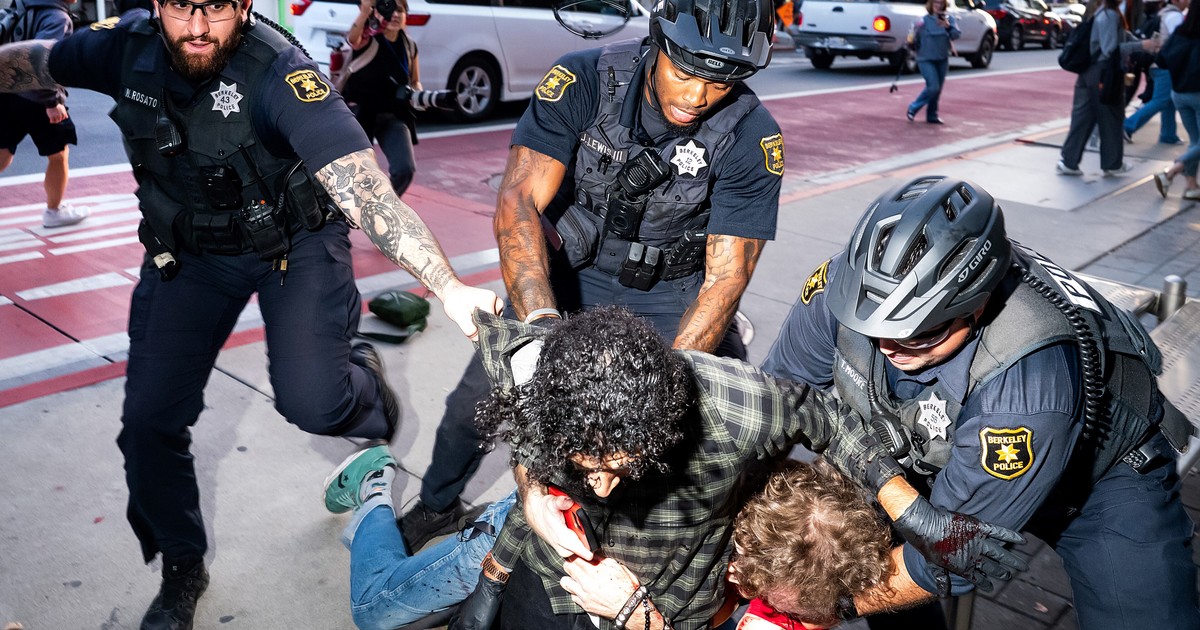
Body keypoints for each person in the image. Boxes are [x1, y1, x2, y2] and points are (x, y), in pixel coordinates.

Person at [0, 2, 503, 627]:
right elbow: (28, 65)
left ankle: (364, 388)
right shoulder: (123, 48)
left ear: (243, 6)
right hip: (189, 256)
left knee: (316, 403)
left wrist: (447, 284)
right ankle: (184, 567)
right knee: (149, 424)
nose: (201, 27)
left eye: (218, 7)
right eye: (183, 7)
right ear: (157, 5)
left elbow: (364, 188)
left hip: (292, 245)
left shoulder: (279, 71)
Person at [401, 0, 789, 551]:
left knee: (700, 434)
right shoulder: (583, 80)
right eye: (684, 72)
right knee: (478, 401)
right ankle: (437, 505)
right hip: (566, 278)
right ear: (657, 43)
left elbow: (727, 277)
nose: (698, 96)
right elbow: (518, 204)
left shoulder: (754, 136)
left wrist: (666, 387)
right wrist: (538, 328)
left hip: (670, 293)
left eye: (720, 82)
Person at [763, 175, 1199, 630]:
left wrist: (819, 611)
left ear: (978, 302)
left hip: (1097, 480)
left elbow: (947, 563)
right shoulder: (845, 289)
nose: (890, 347)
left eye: (920, 332)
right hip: (939, 446)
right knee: (855, 552)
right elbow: (776, 401)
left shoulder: (1028, 389)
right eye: (872, 328)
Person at [457, 307, 1022, 630]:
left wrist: (908, 507)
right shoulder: (544, 371)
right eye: (586, 467)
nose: (598, 486)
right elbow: (532, 440)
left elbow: (821, 414)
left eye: (617, 466)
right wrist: (521, 520)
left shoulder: (735, 406)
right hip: (551, 580)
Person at [320, 445, 898, 630]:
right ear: (750, 559)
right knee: (374, 611)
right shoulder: (655, 503)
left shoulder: (807, 550)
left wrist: (636, 615)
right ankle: (374, 486)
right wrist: (633, 611)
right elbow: (539, 453)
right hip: (526, 537)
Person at [0, 0, 87, 228]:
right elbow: (43, 62)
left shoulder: (21, 6)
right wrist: (52, 102)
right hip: (36, 98)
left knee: (3, 153)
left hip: (5, 92)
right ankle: (54, 211)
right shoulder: (56, 17)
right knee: (58, 154)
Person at [1057, 0, 1160, 176]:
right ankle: (1112, 163)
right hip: (1104, 73)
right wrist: (1143, 46)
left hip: (1087, 72)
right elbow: (1110, 49)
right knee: (1112, 115)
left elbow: (1119, 37)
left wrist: (1141, 43)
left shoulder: (1100, 11)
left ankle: (1069, 161)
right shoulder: (1110, 15)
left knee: (1082, 118)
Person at [340, 0, 421, 197]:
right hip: (360, 113)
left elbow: (416, 80)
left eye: (400, 10)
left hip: (393, 114)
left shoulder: (409, 45)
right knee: (355, 173)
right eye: (390, 10)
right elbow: (352, 39)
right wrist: (365, 11)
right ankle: (340, 212)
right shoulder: (369, 37)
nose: (395, 15)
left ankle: (385, 206)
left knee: (405, 169)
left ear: (405, 16)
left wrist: (419, 95)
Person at [1152, 4, 1200, 200]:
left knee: (1195, 142)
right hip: (1198, 95)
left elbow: (1162, 60)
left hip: (1178, 94)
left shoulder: (1180, 32)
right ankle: (1173, 170)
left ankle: (1191, 186)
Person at [1123, 0, 1188, 143]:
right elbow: (1180, 41)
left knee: (1168, 100)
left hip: (1157, 63)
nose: (1188, 1)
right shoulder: (1174, 17)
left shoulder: (1164, 13)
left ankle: (1168, 134)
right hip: (1165, 65)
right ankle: (1128, 125)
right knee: (1162, 99)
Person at [905, 0, 959, 125]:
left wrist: (948, 26)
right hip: (925, 58)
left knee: (937, 89)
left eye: (940, 3)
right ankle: (913, 107)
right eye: (935, 2)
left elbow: (956, 35)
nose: (938, 5)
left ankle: (932, 115)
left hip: (942, 59)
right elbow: (912, 38)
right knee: (933, 87)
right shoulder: (922, 21)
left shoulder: (949, 19)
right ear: (931, 4)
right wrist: (911, 42)